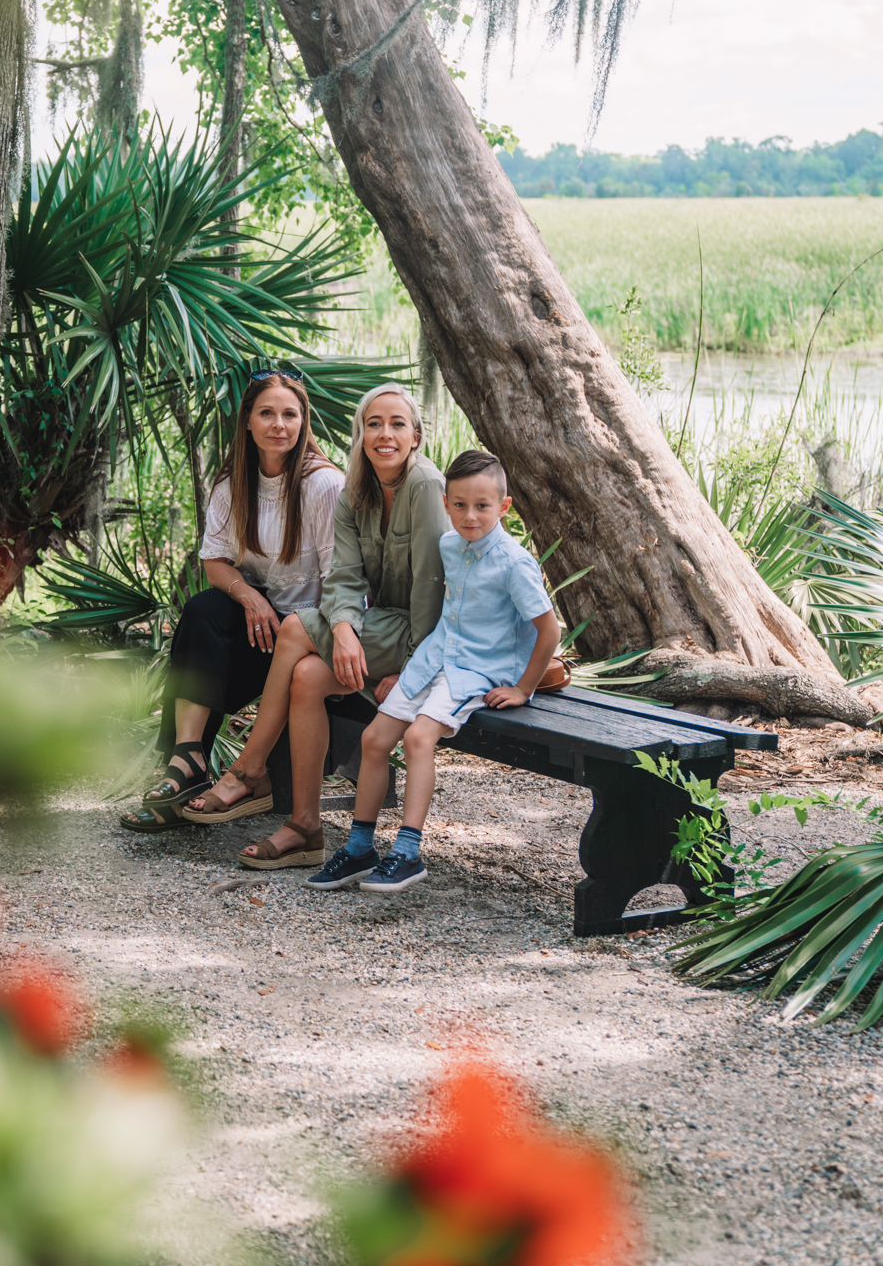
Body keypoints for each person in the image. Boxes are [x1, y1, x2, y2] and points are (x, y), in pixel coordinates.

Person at [183, 382, 448, 870]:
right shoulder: (355, 491)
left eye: (397, 424)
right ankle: (306, 828)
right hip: (377, 627)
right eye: (373, 424)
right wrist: (345, 629)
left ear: (417, 436)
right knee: (305, 677)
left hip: (425, 638)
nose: (384, 434)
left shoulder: (425, 485)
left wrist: (413, 671)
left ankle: (249, 768)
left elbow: (436, 590)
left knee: (292, 631)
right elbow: (344, 578)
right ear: (359, 434)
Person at [307, 448, 560, 894]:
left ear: (504, 507)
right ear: (445, 504)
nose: (469, 516)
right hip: (433, 658)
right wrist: (408, 665)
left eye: (482, 506)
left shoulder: (514, 563)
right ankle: (361, 846)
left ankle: (407, 853)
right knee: (373, 739)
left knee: (418, 737)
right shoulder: (448, 545)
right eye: (459, 505)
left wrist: (523, 688)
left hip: (477, 670)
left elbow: (548, 630)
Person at [119, 368, 343, 832]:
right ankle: (188, 762)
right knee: (204, 613)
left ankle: (186, 779)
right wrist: (248, 597)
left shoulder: (322, 485)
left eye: (289, 414)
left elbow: (340, 580)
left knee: (217, 641)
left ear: (304, 422)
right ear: (247, 421)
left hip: (315, 633)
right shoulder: (233, 484)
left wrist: (297, 626)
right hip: (266, 627)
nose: (278, 424)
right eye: (267, 413)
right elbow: (216, 562)